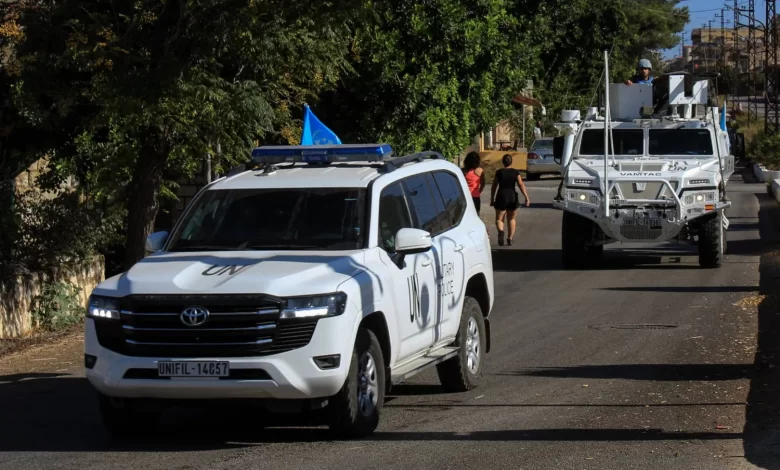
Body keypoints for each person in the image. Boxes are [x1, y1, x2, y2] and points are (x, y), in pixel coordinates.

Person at [490, 154, 530, 246]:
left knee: (499, 219)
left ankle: (501, 231)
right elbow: (520, 184)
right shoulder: (515, 172)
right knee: (511, 218)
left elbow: (494, 185)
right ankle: (510, 238)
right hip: (512, 196)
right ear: (511, 162)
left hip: (501, 196)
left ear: (503, 162)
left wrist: (492, 198)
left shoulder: (499, 172)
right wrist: (526, 197)